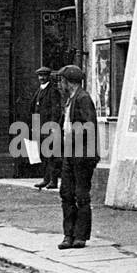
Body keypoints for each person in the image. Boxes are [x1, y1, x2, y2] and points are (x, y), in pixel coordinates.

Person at [56, 64, 100, 250]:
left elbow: (88, 127)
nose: (60, 84)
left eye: (61, 81)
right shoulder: (70, 99)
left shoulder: (83, 99)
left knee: (81, 195)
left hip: (81, 155)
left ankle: (80, 236)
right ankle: (68, 235)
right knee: (66, 193)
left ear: (68, 82)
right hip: (70, 154)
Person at [30, 66, 63, 190]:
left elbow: (56, 110)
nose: (41, 78)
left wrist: (53, 126)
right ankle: (46, 178)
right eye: (40, 76)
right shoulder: (39, 91)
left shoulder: (52, 91)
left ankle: (53, 181)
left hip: (49, 128)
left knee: (51, 155)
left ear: (48, 76)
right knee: (44, 154)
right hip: (39, 127)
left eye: (44, 75)